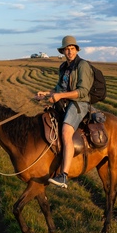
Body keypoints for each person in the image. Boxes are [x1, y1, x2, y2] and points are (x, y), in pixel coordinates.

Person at [36, 35, 94, 188]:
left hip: (79, 104)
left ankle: (64, 175)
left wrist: (60, 96)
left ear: (76, 50)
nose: (69, 52)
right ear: (63, 51)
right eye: (67, 49)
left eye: (72, 49)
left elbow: (83, 91)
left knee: (66, 132)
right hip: (65, 103)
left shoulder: (82, 65)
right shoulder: (63, 67)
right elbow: (58, 89)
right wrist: (46, 93)